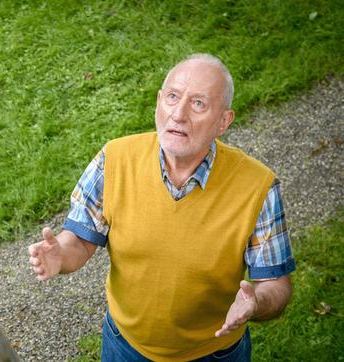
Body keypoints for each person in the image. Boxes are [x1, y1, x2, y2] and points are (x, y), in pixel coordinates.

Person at [28, 53, 295, 361]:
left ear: (224, 121)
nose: (178, 114)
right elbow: (80, 240)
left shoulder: (258, 187)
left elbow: (276, 285)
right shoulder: (114, 159)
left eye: (198, 104)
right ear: (158, 102)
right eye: (172, 97)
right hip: (124, 346)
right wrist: (60, 254)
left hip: (214, 353)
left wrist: (256, 303)